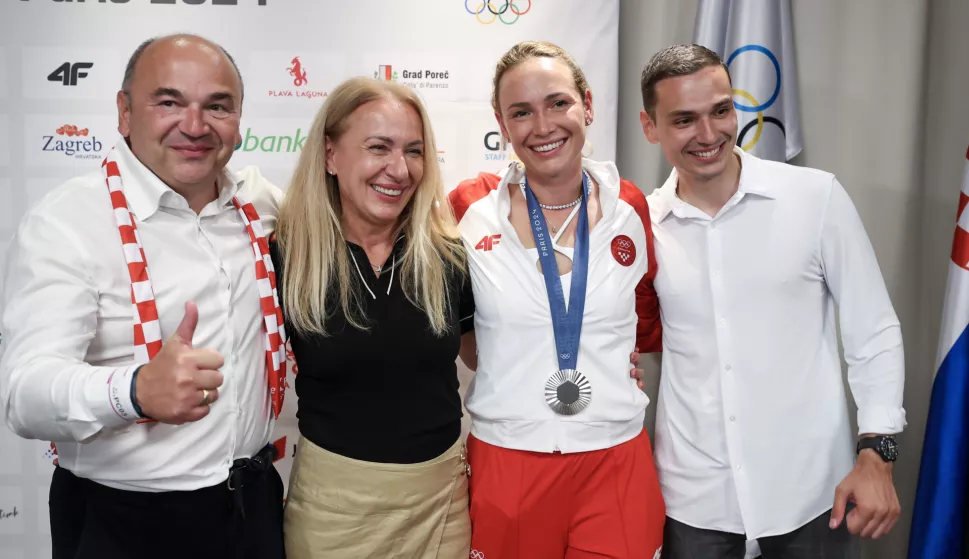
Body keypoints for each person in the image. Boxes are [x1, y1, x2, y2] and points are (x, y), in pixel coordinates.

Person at [0, 34, 286, 559]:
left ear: (238, 120)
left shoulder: (259, 205)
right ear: (124, 112)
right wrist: (132, 390)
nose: (195, 127)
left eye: (217, 106)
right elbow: (23, 394)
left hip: (254, 505)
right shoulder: (67, 223)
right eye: (169, 101)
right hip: (125, 522)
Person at [638, 44, 905, 559]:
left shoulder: (816, 197)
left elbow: (874, 331)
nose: (709, 134)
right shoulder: (639, 225)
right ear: (651, 128)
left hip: (810, 499)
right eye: (684, 120)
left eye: (720, 110)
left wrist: (877, 451)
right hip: (692, 505)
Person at [448, 41, 666, 559]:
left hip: (616, 458)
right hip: (508, 459)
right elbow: (461, 333)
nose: (543, 125)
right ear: (502, 123)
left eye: (558, 103)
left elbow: (643, 320)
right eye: (521, 112)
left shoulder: (629, 206)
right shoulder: (468, 210)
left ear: (587, 105)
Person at [270, 77, 476, 559]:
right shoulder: (287, 254)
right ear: (330, 155)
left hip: (441, 505)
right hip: (332, 512)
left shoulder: (448, 255)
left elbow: (491, 354)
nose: (399, 170)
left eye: (414, 151)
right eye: (378, 147)